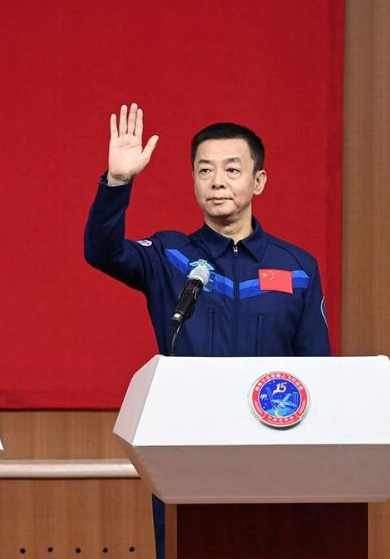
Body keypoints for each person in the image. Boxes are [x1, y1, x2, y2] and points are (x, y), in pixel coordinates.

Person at [83, 103, 331, 559]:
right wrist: (117, 182)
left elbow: (318, 369)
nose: (217, 181)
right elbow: (101, 251)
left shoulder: (296, 268)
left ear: (258, 181)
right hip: (184, 444)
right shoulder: (169, 255)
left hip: (272, 449)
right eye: (204, 170)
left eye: (232, 169)